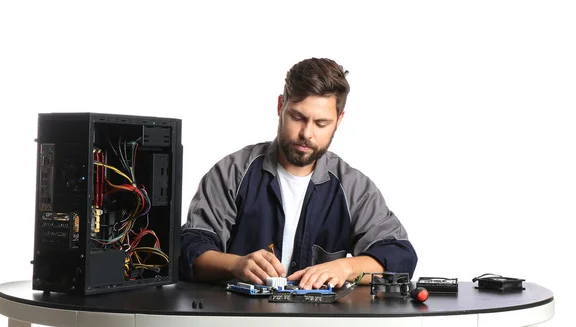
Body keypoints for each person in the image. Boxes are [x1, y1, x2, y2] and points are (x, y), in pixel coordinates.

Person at [179, 57, 417, 290]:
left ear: (339, 120)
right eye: (297, 117)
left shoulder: (353, 188)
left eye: (321, 123)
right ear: (280, 106)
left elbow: (399, 256)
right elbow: (189, 248)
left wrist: (345, 268)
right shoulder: (232, 173)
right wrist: (236, 265)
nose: (307, 133)